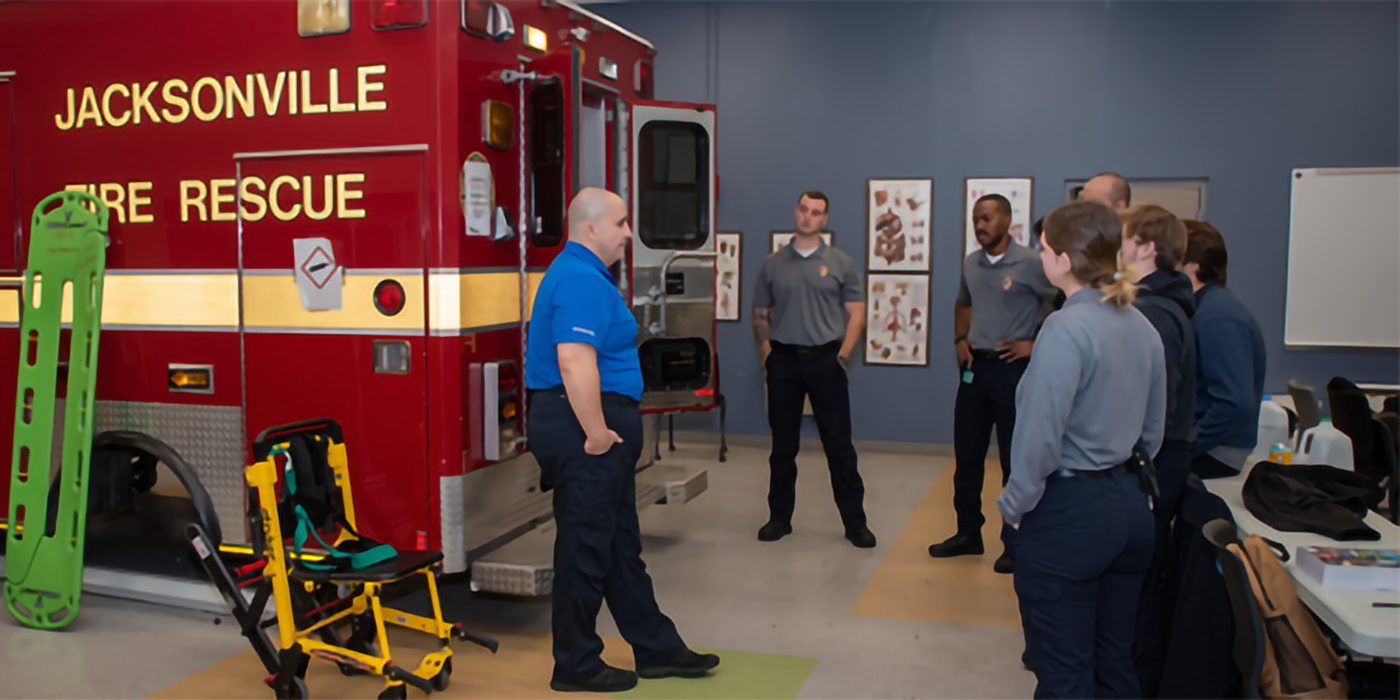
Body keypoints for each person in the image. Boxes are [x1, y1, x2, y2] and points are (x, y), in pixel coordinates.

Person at [525, 188, 719, 693]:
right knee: (586, 546)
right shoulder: (580, 278)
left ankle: (655, 648)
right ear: (592, 228)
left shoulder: (584, 275)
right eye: (622, 223)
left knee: (616, 545)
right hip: (581, 426)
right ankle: (575, 662)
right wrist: (595, 433)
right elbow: (574, 359)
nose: (629, 234)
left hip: (588, 422)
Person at [998, 200, 1165, 699]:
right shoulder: (1142, 325)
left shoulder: (1065, 328)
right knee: (1115, 661)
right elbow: (1151, 433)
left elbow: (1039, 437)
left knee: (1064, 671)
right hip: (1131, 512)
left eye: (1044, 247)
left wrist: (1015, 507)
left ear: (1064, 260)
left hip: (1070, 516)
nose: (1039, 254)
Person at [930, 194, 1056, 573]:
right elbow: (962, 302)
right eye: (975, 219)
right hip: (975, 370)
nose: (980, 226)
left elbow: (1059, 303)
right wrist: (959, 339)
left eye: (986, 218)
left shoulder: (1032, 263)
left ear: (1007, 220)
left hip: (1012, 370)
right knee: (966, 457)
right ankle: (968, 533)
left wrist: (1034, 344)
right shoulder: (971, 263)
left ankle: (1014, 542)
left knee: (1014, 461)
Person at [752, 191, 876, 548]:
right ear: (796, 212)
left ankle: (856, 523)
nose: (808, 216)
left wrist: (844, 355)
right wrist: (766, 353)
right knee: (782, 447)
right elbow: (760, 313)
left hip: (826, 361)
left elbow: (857, 313)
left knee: (839, 447)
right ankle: (779, 518)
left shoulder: (841, 263)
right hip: (784, 362)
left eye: (816, 212)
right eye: (803, 209)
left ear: (825, 219)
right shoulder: (773, 264)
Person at [1119, 204, 1197, 697]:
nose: (1116, 249)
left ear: (1147, 247)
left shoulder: (1155, 314)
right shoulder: (1162, 305)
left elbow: (1154, 413)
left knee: (1140, 590)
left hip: (1153, 470)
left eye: (1124, 239)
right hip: (1155, 465)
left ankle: (1139, 683)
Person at [1181, 220, 1266, 479]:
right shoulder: (1204, 308)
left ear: (1192, 265)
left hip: (1217, 453)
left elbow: (1235, 403)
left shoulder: (1217, 317)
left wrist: (1183, 447)